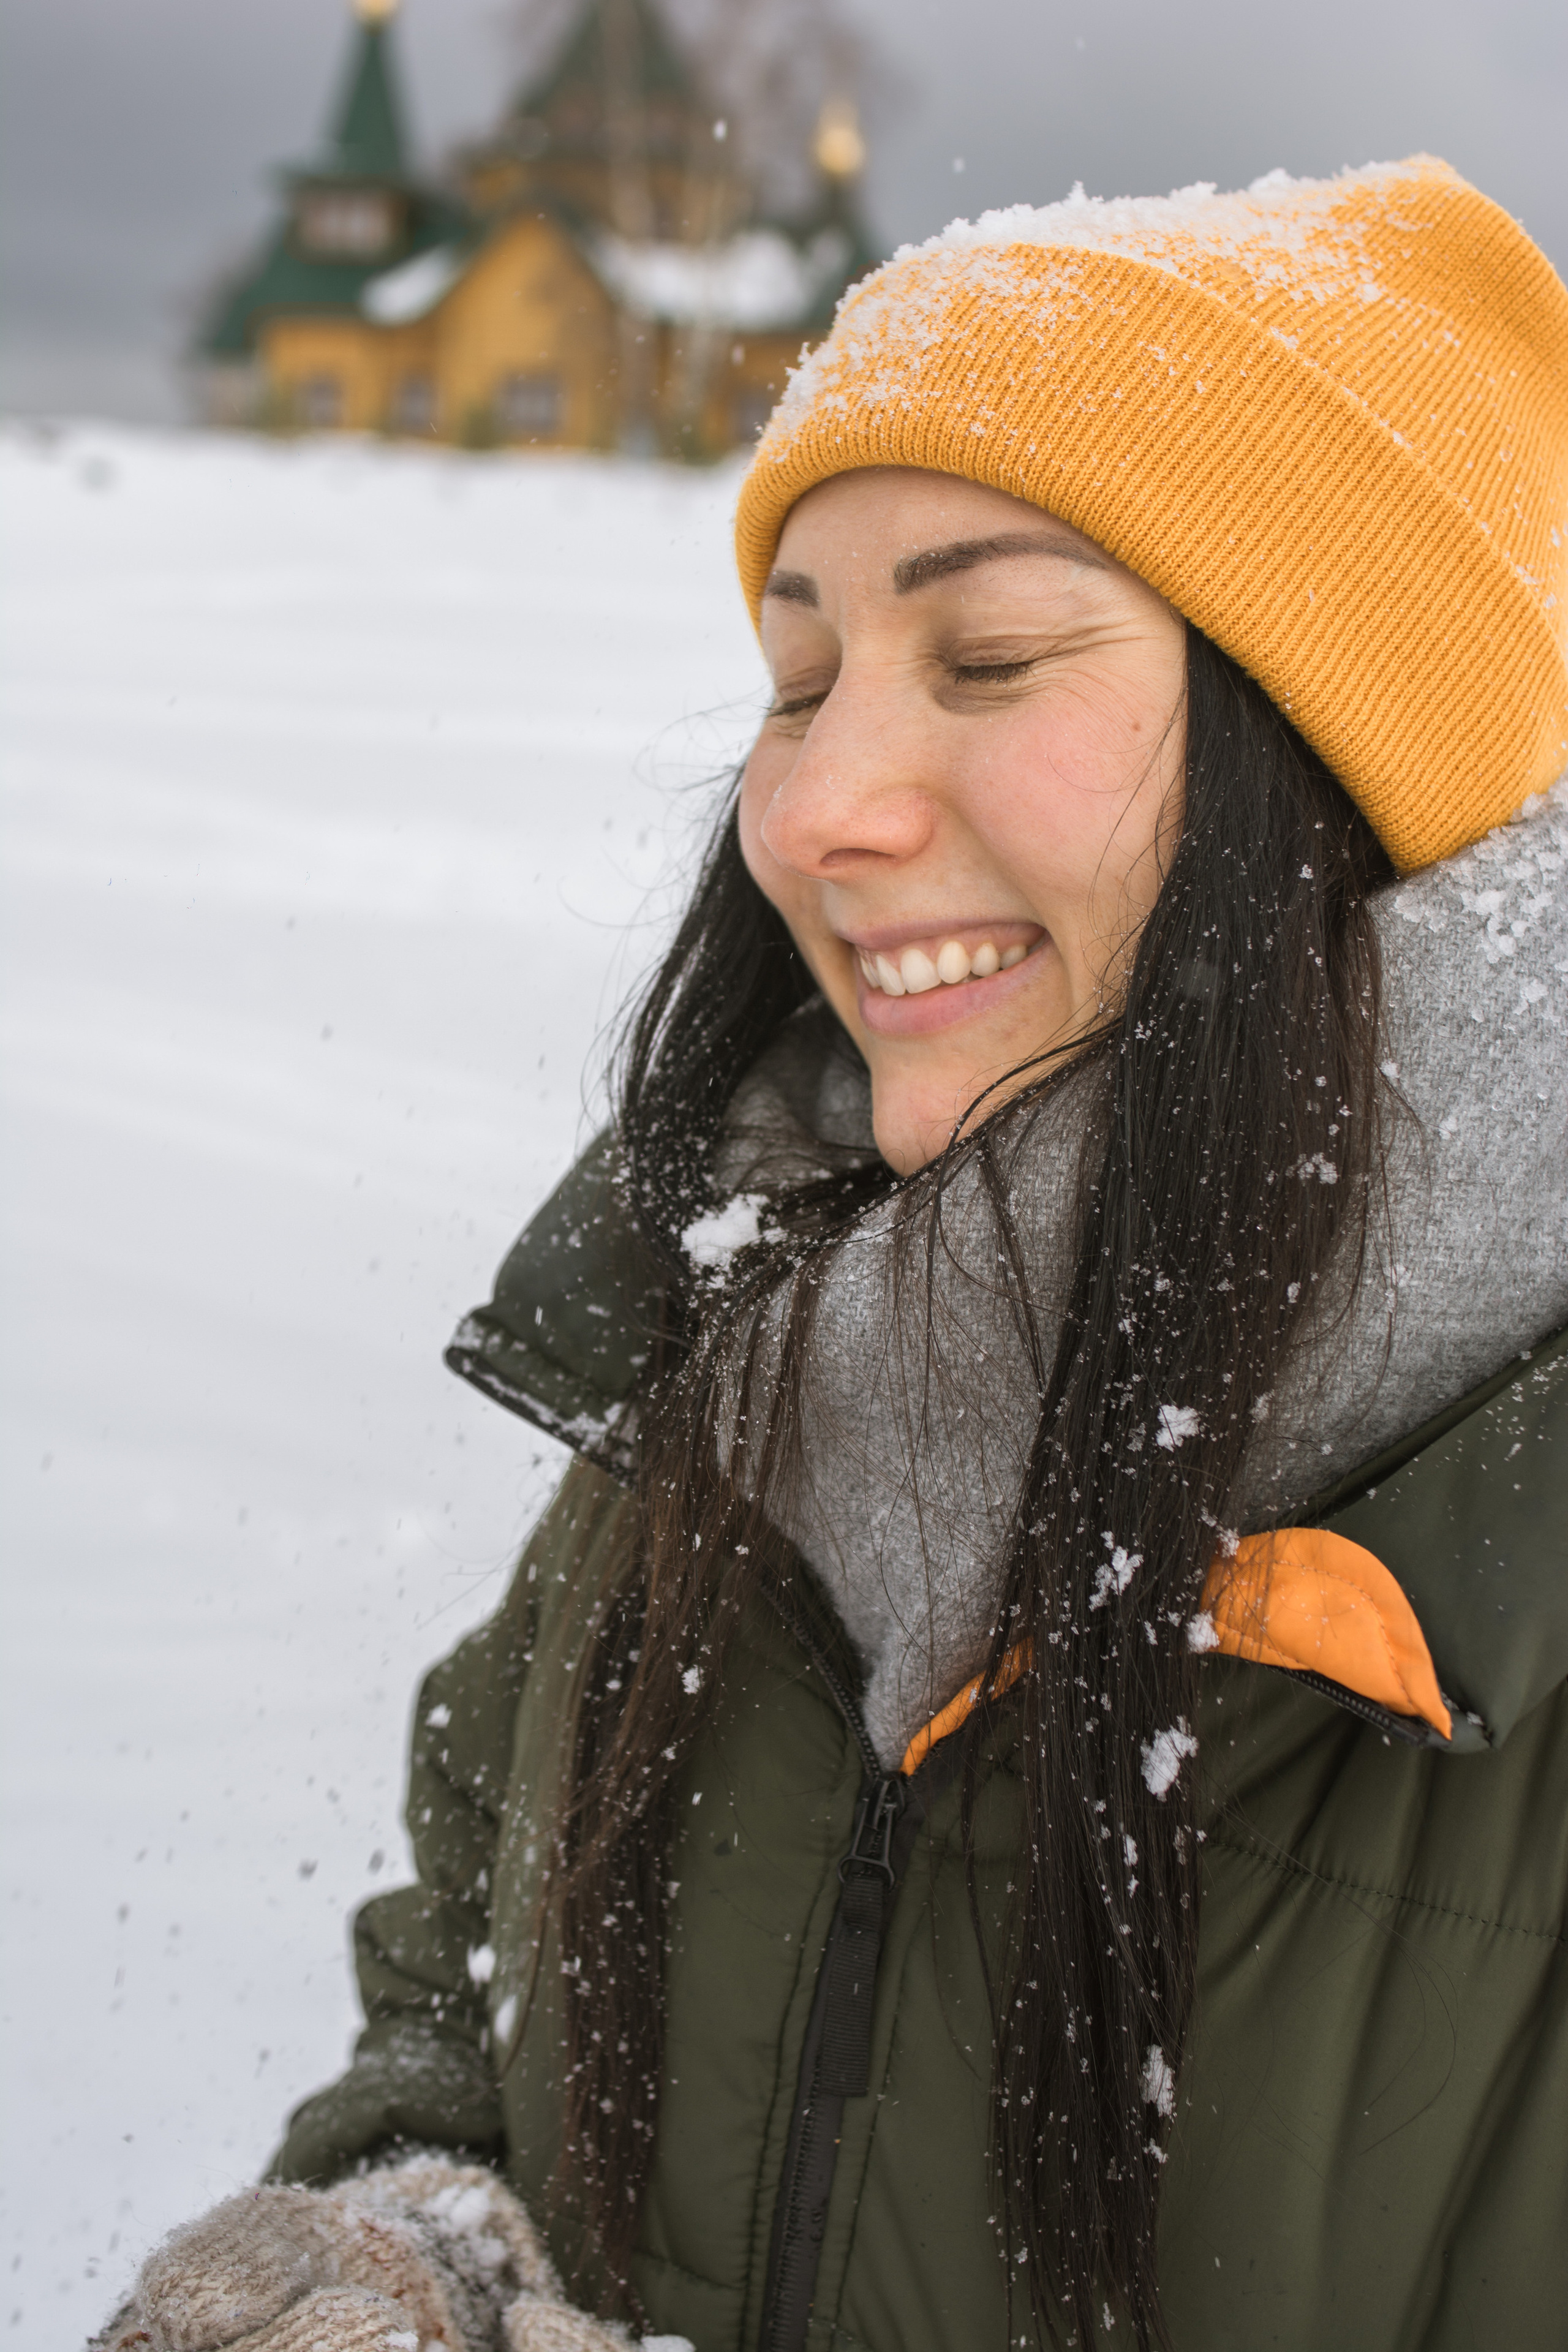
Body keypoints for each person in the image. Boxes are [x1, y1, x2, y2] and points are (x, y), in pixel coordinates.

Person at [96, 156, 1567, 2352]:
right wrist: (428, 2234)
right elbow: (476, 1924)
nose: (805, 809)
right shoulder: (760, 1328)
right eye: (801, 678)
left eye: (986, 654)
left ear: (1349, 763)